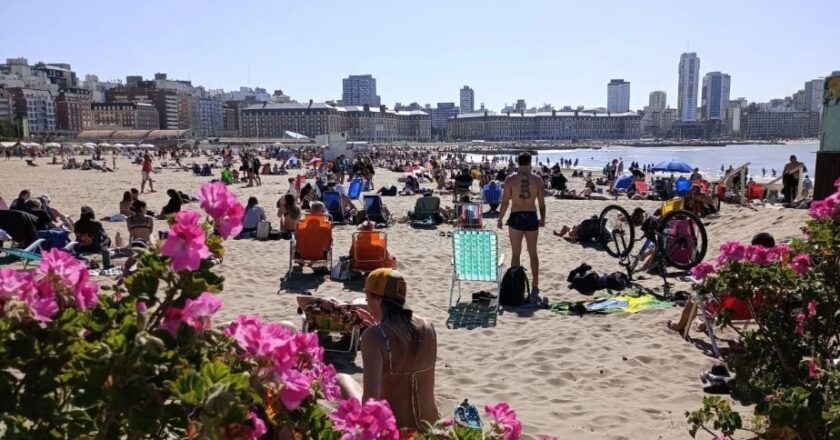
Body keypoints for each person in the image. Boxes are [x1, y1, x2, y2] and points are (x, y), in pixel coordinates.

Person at [338, 268, 440, 431]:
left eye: (367, 298)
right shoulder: (428, 327)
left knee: (341, 379)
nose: (367, 304)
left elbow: (371, 401)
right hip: (430, 426)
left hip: (393, 430)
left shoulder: (374, 337)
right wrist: (377, 327)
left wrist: (373, 334)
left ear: (377, 300)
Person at [667, 233, 776, 333]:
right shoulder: (774, 273)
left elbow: (726, 292)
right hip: (755, 312)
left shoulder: (745, 271)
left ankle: (679, 326)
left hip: (730, 311)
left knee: (696, 296)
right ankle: (703, 323)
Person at [498, 153, 547, 292]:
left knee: (515, 253)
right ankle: (535, 284)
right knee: (533, 252)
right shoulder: (537, 180)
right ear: (530, 163)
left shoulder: (510, 179)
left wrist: (500, 219)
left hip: (516, 216)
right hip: (531, 216)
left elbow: (505, 202)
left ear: (517, 163)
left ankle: (515, 282)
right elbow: (542, 203)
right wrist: (543, 218)